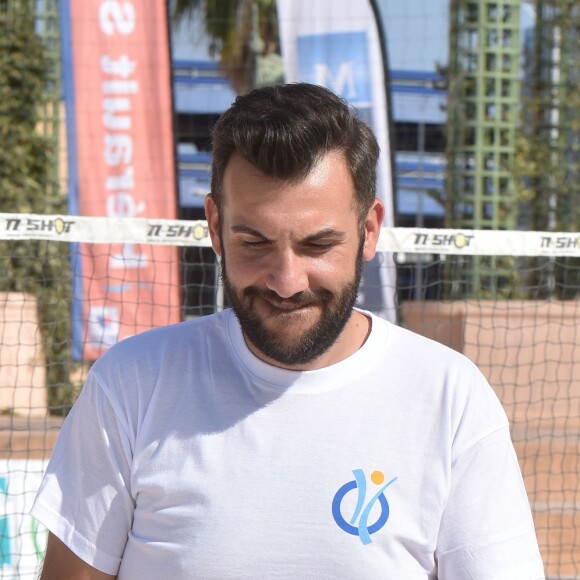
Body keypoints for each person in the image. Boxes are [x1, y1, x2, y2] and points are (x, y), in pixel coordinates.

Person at [32, 83, 545, 579]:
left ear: (369, 231)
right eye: (253, 242)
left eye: (318, 245)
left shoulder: (450, 398)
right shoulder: (130, 385)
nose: (286, 281)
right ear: (214, 226)